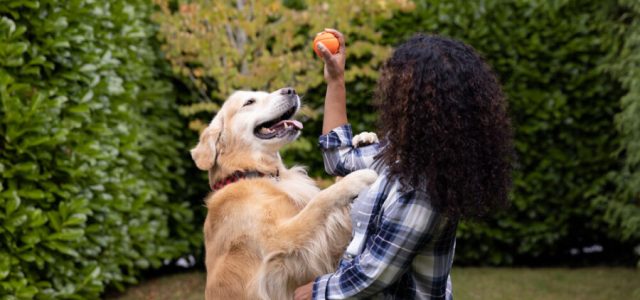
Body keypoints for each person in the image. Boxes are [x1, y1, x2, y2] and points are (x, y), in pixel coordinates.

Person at [294, 29, 514, 300]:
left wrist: (317, 291)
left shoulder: (425, 192)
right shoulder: (400, 155)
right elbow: (340, 160)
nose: (391, 94)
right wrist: (336, 80)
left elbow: (374, 274)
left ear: (426, 105)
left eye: (400, 89)